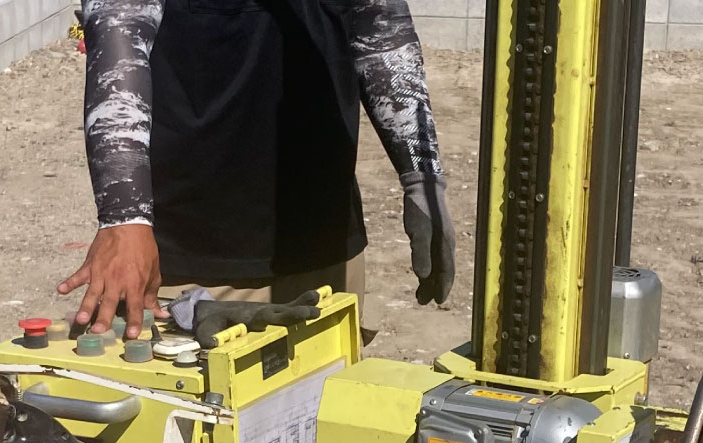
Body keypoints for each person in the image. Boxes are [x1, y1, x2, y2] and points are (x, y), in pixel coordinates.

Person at [58, 0, 455, 338]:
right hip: (192, 269)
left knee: (323, 404)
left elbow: (378, 24)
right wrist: (124, 219)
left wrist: (422, 178)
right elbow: (119, 29)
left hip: (324, 244)